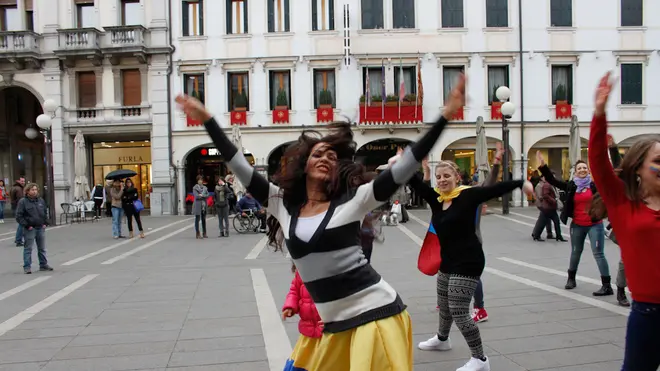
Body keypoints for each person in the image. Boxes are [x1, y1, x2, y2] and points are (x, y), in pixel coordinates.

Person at [175, 73, 465, 370]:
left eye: (331, 155)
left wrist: (445, 116)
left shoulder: (354, 201)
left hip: (376, 316)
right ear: (305, 166)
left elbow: (404, 167)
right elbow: (239, 164)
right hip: (334, 327)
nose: (325, 158)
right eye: (317, 154)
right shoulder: (282, 205)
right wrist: (209, 120)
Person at [412, 153, 534, 371]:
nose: (442, 180)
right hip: (447, 260)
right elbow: (415, 183)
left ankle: (480, 360)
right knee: (445, 306)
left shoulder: (467, 196)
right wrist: (399, 164)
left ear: (457, 177)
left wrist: (521, 183)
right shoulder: (438, 199)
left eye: (446, 175)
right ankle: (442, 339)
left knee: (459, 310)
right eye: (438, 176)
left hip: (468, 261)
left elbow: (493, 189)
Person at [587, 71, 660, 371]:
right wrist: (599, 114)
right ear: (639, 169)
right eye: (657, 162)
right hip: (647, 313)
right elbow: (599, 163)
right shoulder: (622, 203)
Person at [536, 151, 612, 296]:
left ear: (588, 171)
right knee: (576, 252)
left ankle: (606, 285)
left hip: (594, 225)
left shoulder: (596, 186)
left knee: (599, 254)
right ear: (575, 173)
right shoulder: (572, 186)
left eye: (585, 168)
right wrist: (543, 166)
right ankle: (571, 279)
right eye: (579, 169)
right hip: (577, 225)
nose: (582, 170)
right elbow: (552, 181)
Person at [15, 183, 53, 274]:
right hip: (30, 228)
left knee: (42, 248)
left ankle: (43, 264)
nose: (35, 191)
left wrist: (45, 222)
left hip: (40, 227)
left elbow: (44, 212)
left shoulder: (40, 200)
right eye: (32, 190)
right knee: (28, 248)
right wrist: (27, 225)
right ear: (27, 191)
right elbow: (19, 216)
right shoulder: (23, 202)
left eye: (36, 189)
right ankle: (27, 266)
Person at [282, 263, 324, 342]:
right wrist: (289, 306)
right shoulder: (301, 272)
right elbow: (294, 292)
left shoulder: (329, 272)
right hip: (307, 329)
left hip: (326, 329)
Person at [531, 174, 566, 242]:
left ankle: (558, 236)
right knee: (543, 222)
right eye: (553, 177)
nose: (554, 179)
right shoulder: (547, 185)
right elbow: (546, 195)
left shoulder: (550, 184)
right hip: (547, 207)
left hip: (550, 207)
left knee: (554, 221)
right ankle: (537, 235)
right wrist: (554, 201)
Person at [10, 177, 25, 246]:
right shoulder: (19, 189)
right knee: (21, 224)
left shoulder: (14, 187)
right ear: (18, 181)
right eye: (21, 181)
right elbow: (21, 200)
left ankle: (20, 239)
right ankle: (18, 240)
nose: (23, 182)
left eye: (24, 181)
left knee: (21, 224)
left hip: (15, 207)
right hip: (19, 208)